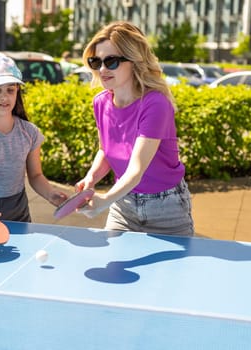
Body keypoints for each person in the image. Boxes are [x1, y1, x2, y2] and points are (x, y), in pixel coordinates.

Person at [76, 21, 194, 236]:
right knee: (115, 268)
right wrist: (92, 177)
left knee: (171, 271)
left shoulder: (155, 103)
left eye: (111, 61)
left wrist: (103, 201)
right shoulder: (100, 102)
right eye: (96, 62)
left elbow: (137, 169)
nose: (102, 69)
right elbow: (106, 149)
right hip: (124, 206)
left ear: (134, 61)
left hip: (167, 210)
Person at [0, 56, 66, 222]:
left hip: (18, 213)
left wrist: (51, 194)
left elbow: (36, 176)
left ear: (17, 90)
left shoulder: (30, 132)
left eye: (10, 89)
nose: (4, 97)